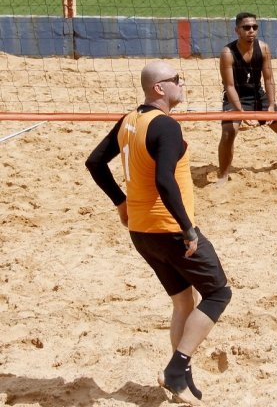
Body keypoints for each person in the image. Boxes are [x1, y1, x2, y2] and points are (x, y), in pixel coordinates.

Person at [86, 61, 232, 405]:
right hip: (168, 230)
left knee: (184, 302)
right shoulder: (165, 126)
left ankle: (181, 377)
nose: (181, 84)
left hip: (141, 231)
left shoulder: (129, 121)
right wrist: (188, 228)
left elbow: (94, 163)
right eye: (175, 80)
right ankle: (176, 367)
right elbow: (165, 181)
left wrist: (121, 203)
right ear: (159, 89)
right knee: (218, 293)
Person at [217, 11, 277, 183]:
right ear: (237, 30)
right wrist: (241, 112)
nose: (251, 30)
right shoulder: (227, 53)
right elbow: (229, 86)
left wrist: (271, 105)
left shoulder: (263, 48)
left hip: (258, 95)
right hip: (236, 97)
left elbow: (269, 79)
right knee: (229, 132)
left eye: (254, 27)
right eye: (246, 27)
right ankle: (223, 175)